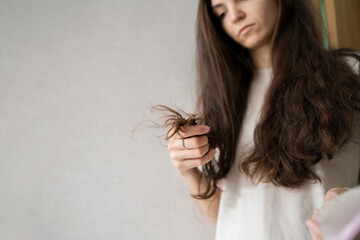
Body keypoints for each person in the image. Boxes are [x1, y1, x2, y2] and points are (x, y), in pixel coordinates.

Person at [163, 0, 360, 239]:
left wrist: (352, 203)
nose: (234, 16)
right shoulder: (221, 101)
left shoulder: (349, 74)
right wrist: (189, 173)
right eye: (222, 12)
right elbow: (226, 217)